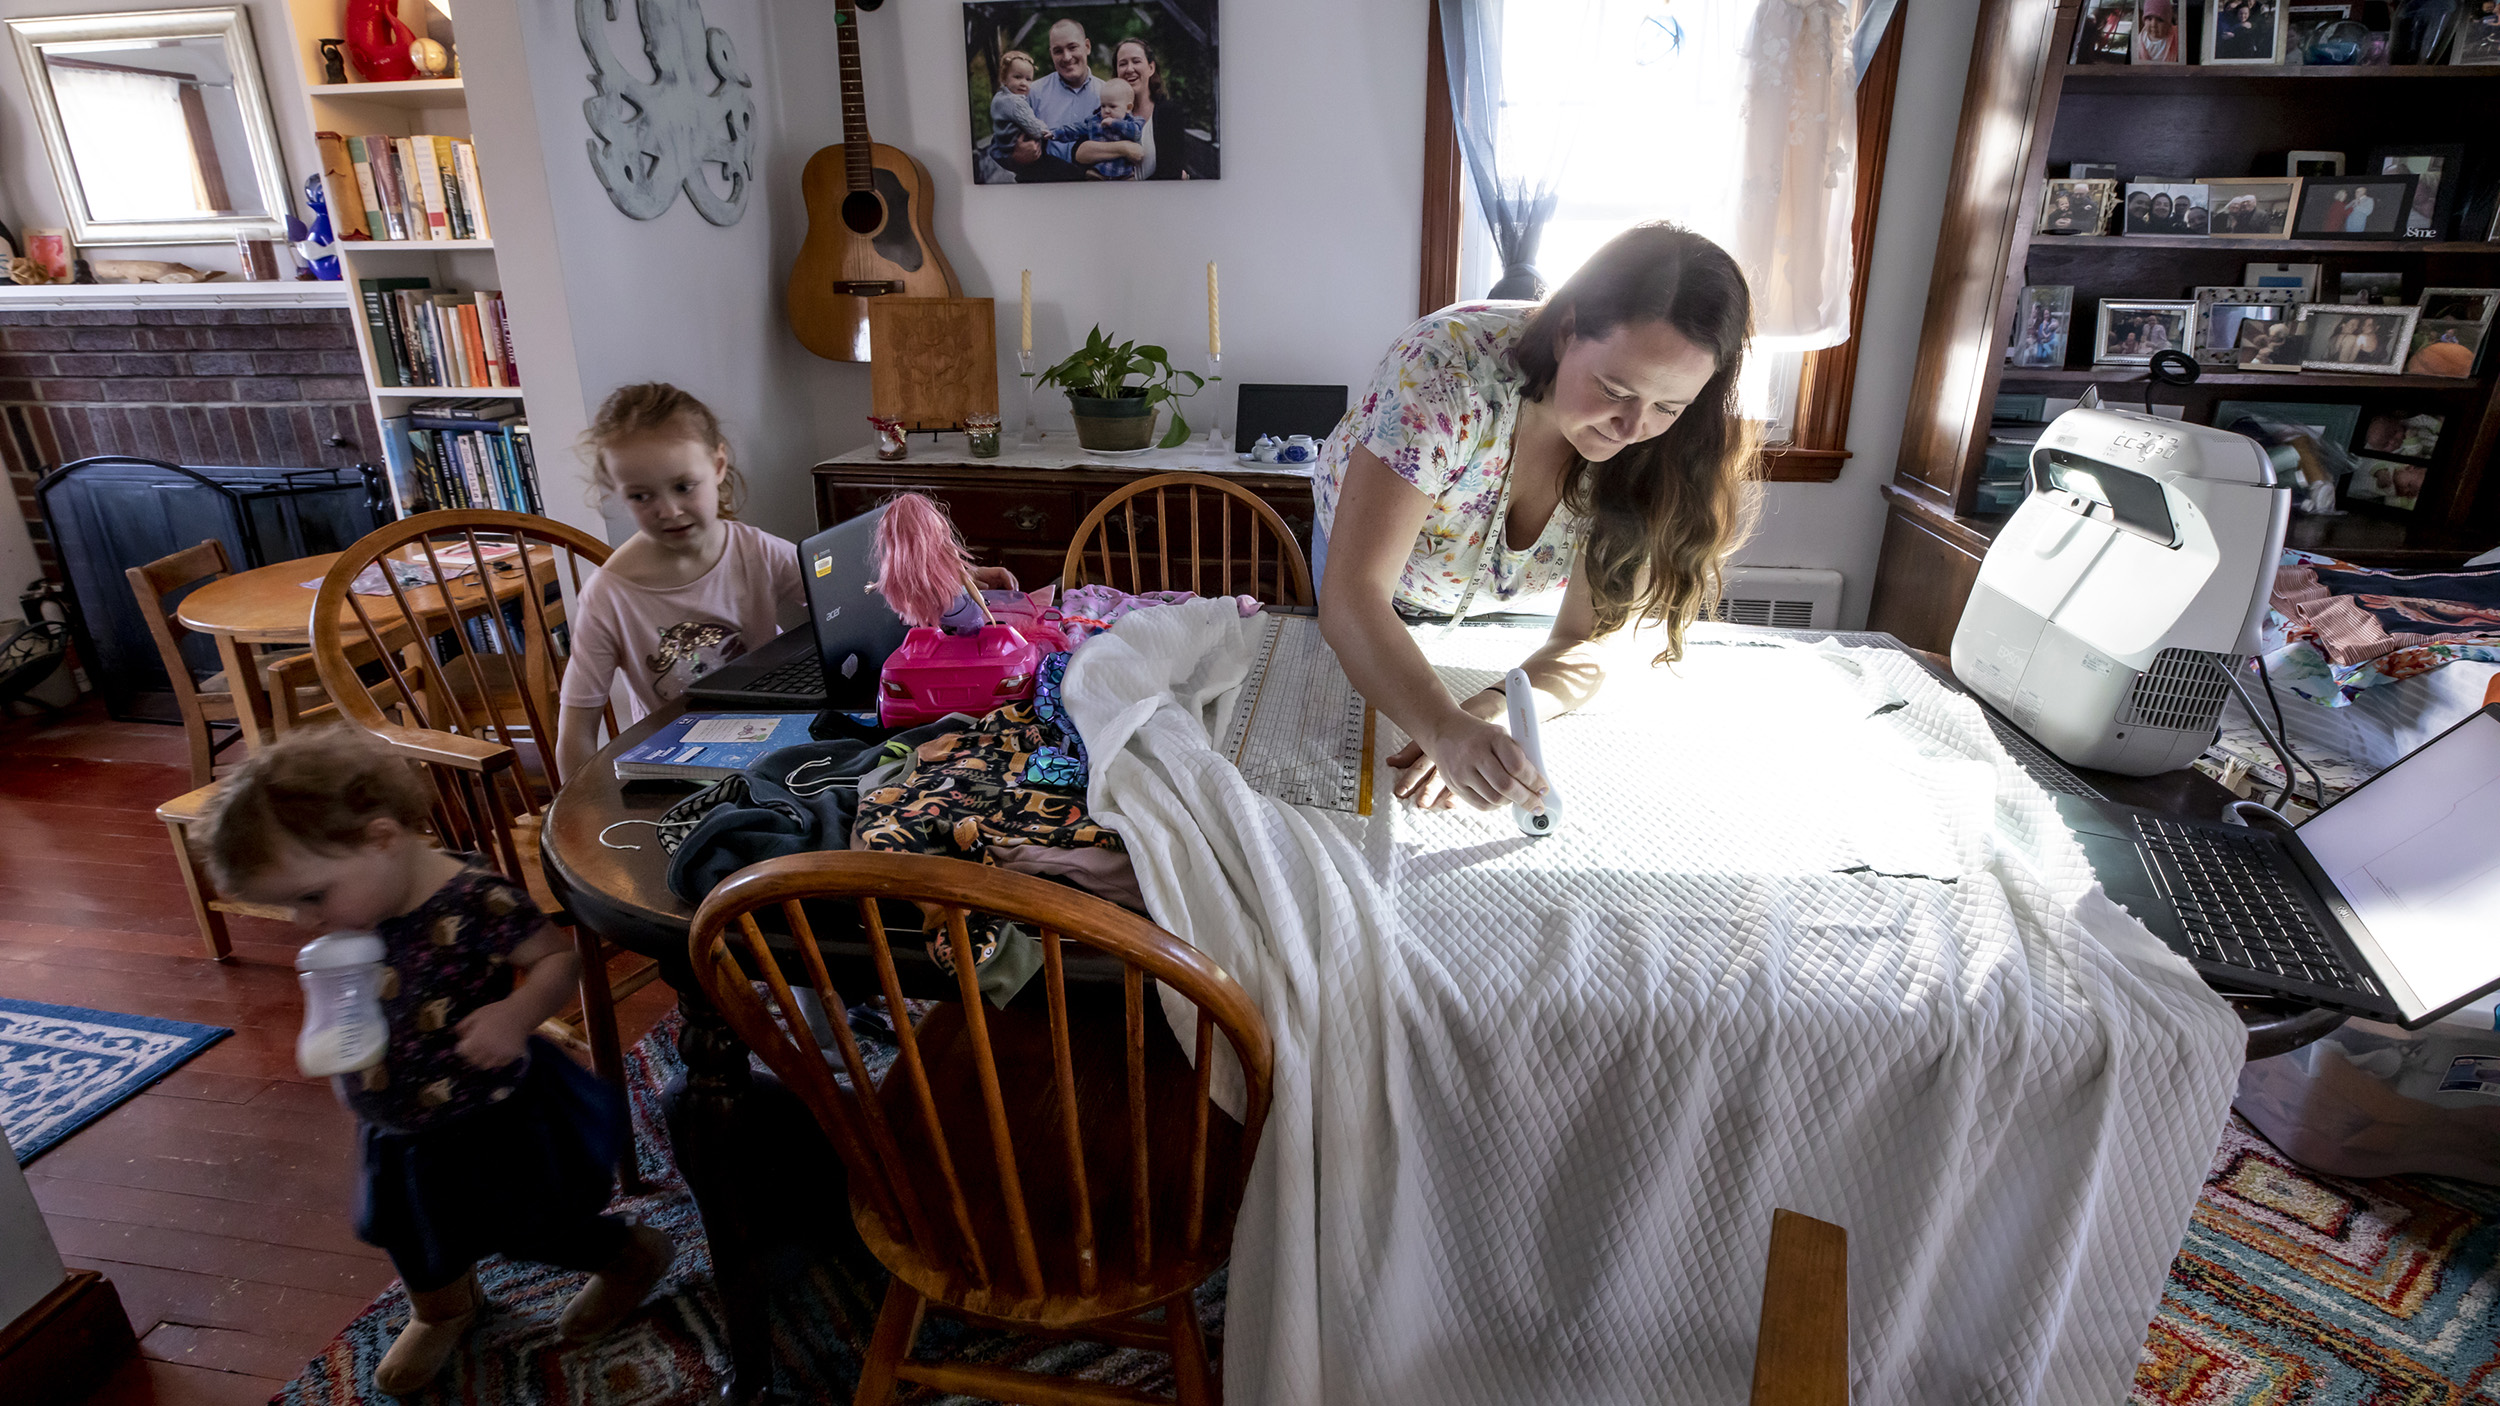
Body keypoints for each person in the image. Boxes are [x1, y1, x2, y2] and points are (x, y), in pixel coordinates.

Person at [197, 726, 675, 1394]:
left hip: (489, 1113)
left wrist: (514, 1014)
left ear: (381, 838)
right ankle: (445, 1308)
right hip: (395, 1121)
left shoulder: (475, 899)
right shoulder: (355, 911)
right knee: (412, 1230)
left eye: (311, 896)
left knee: (534, 1223)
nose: (307, 921)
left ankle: (629, 1256)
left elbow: (555, 958)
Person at [1312, 223, 1754, 812]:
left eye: (1668, 407)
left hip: (1489, 597)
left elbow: (1585, 640)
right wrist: (1441, 726)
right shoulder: (1444, 370)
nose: (1631, 429)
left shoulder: (1666, 448)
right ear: (1568, 329)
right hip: (1377, 578)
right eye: (1614, 389)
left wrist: (1494, 705)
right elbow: (1352, 597)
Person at [553, 384, 803, 782]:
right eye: (640, 496)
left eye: (683, 486)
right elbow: (576, 734)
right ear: (617, 491)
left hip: (779, 746)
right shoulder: (608, 596)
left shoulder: (755, 550)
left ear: (718, 465)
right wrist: (582, 816)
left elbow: (835, 604)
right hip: (679, 771)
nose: (668, 510)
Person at [1000, 19, 1144, 182]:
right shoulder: (1032, 93)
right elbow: (999, 147)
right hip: (1046, 188)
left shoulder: (1110, 95)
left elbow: (1134, 144)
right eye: (1058, 51)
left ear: (1087, 47)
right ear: (1051, 54)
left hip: (1096, 187)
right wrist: (1017, 156)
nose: (1067, 57)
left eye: (1072, 47)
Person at [1067, 77, 1146, 180]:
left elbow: (1136, 136)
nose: (1106, 110)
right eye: (1103, 106)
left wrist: (1114, 123)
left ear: (1128, 108)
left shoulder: (1134, 122)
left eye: (1112, 106)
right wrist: (1055, 134)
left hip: (1124, 174)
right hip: (1099, 172)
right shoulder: (1097, 120)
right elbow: (1079, 150)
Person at [987, 51, 1057, 166]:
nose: (1023, 83)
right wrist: (1048, 130)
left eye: (1028, 79)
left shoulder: (999, 98)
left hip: (1005, 149)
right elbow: (1035, 130)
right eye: (1017, 77)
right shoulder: (1015, 102)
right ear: (1004, 78)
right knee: (1063, 169)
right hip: (1024, 151)